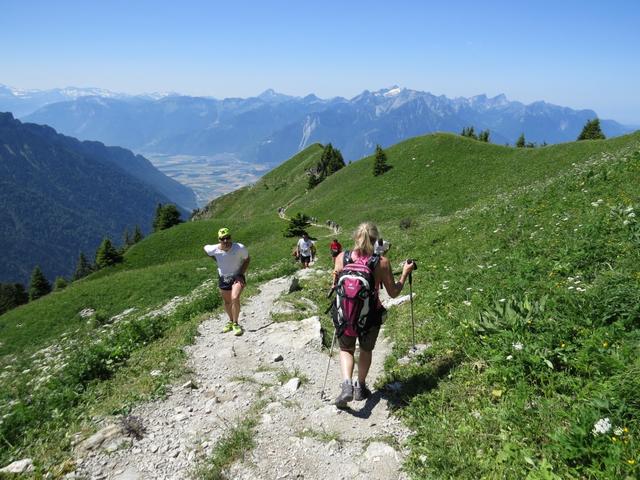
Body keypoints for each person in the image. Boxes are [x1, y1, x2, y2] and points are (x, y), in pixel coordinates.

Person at [332, 222, 415, 408]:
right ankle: (360, 387)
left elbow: (336, 283)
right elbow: (393, 292)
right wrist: (404, 274)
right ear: (376, 240)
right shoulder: (382, 262)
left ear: (355, 238)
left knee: (346, 349)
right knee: (365, 350)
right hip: (370, 316)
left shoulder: (341, 257)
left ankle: (346, 384)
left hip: (344, 315)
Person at [204, 227, 250, 336]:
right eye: (222, 239)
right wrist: (216, 259)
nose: (226, 241)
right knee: (227, 302)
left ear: (231, 237)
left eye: (228, 238)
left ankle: (236, 323)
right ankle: (230, 320)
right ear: (219, 240)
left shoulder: (239, 248)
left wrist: (240, 273)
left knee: (234, 298)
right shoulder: (214, 249)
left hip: (237, 277)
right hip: (223, 277)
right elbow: (205, 248)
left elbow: (247, 259)